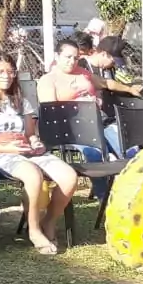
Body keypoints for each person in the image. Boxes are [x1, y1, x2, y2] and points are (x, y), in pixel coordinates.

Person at [0, 52, 76, 256]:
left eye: (10, 71)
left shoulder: (21, 100)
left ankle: (49, 221)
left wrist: (35, 143)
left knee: (69, 177)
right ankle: (34, 230)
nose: (6, 76)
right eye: (0, 71)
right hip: (0, 154)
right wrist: (7, 148)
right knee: (33, 176)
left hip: (27, 151)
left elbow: (30, 134)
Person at [38, 36, 123, 198]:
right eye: (67, 57)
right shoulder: (48, 80)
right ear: (57, 57)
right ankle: (103, 197)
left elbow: (106, 83)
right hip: (73, 128)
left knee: (129, 150)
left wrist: (129, 89)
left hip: (99, 122)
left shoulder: (83, 73)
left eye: (75, 58)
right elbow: (51, 112)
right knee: (94, 154)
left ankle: (131, 193)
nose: (72, 61)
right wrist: (78, 105)